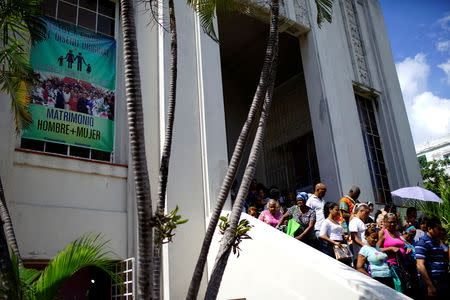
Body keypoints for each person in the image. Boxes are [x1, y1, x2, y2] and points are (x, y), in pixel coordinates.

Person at [416, 217, 448, 299]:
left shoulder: (437, 242)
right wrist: (430, 285)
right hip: (431, 280)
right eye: (438, 229)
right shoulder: (422, 242)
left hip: (441, 280)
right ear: (429, 229)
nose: (440, 231)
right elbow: (420, 265)